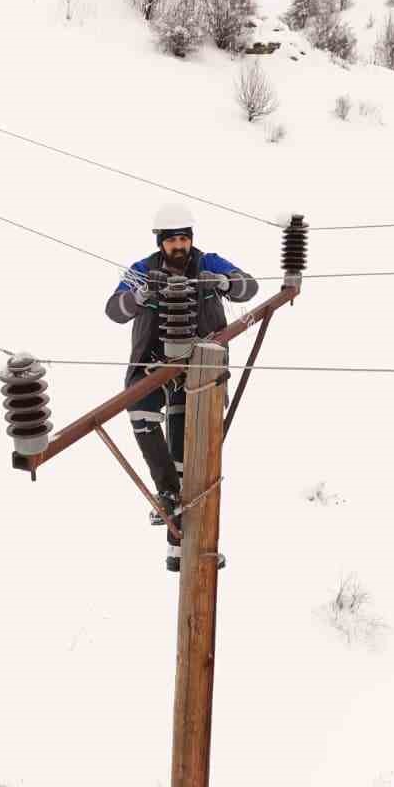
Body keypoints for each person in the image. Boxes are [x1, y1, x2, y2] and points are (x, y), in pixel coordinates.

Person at [105, 202, 258, 570]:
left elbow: (248, 286)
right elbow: (114, 310)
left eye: (183, 239)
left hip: (200, 368)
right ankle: (167, 493)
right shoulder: (142, 270)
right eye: (172, 240)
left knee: (186, 456)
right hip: (154, 363)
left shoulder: (209, 262)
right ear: (161, 242)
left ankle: (179, 550)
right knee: (140, 412)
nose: (179, 246)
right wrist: (138, 297)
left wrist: (224, 283)